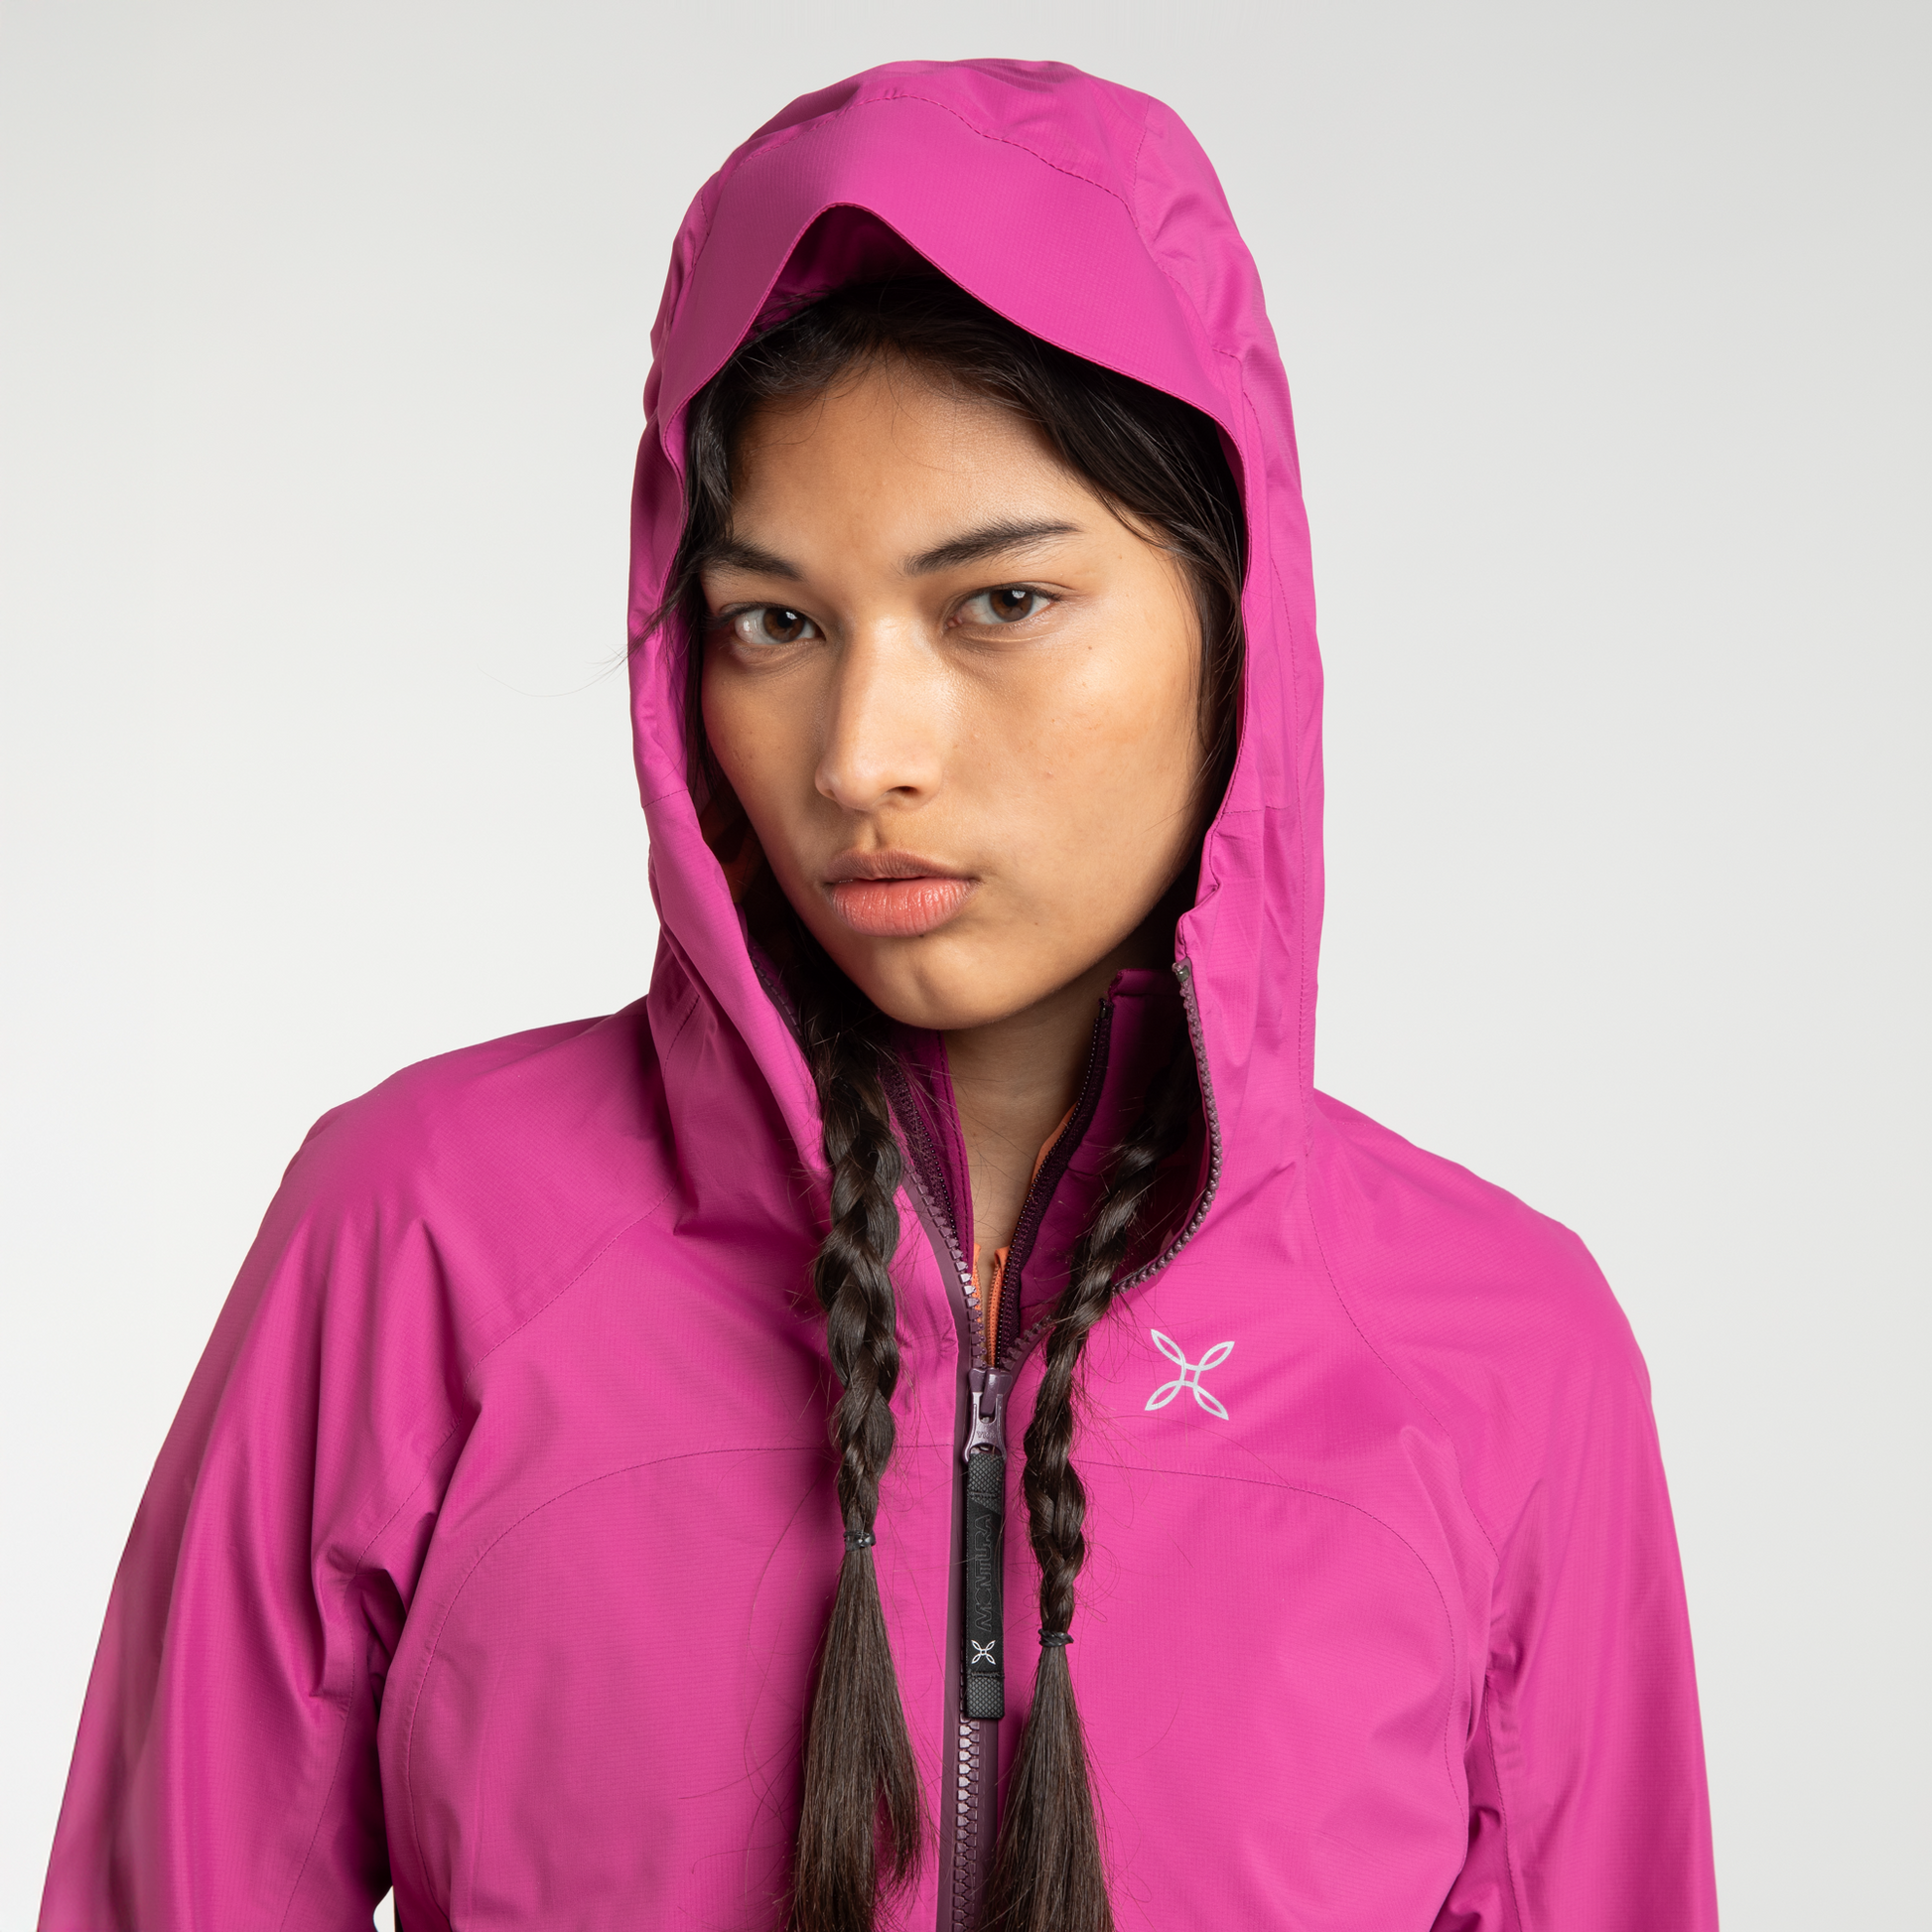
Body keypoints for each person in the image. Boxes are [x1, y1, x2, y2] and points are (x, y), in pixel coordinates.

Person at [38, 59, 1719, 1932]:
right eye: (775, 623)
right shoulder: (422, 1236)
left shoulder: (1501, 1349)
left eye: (999, 603)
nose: (860, 753)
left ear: (1233, 623)